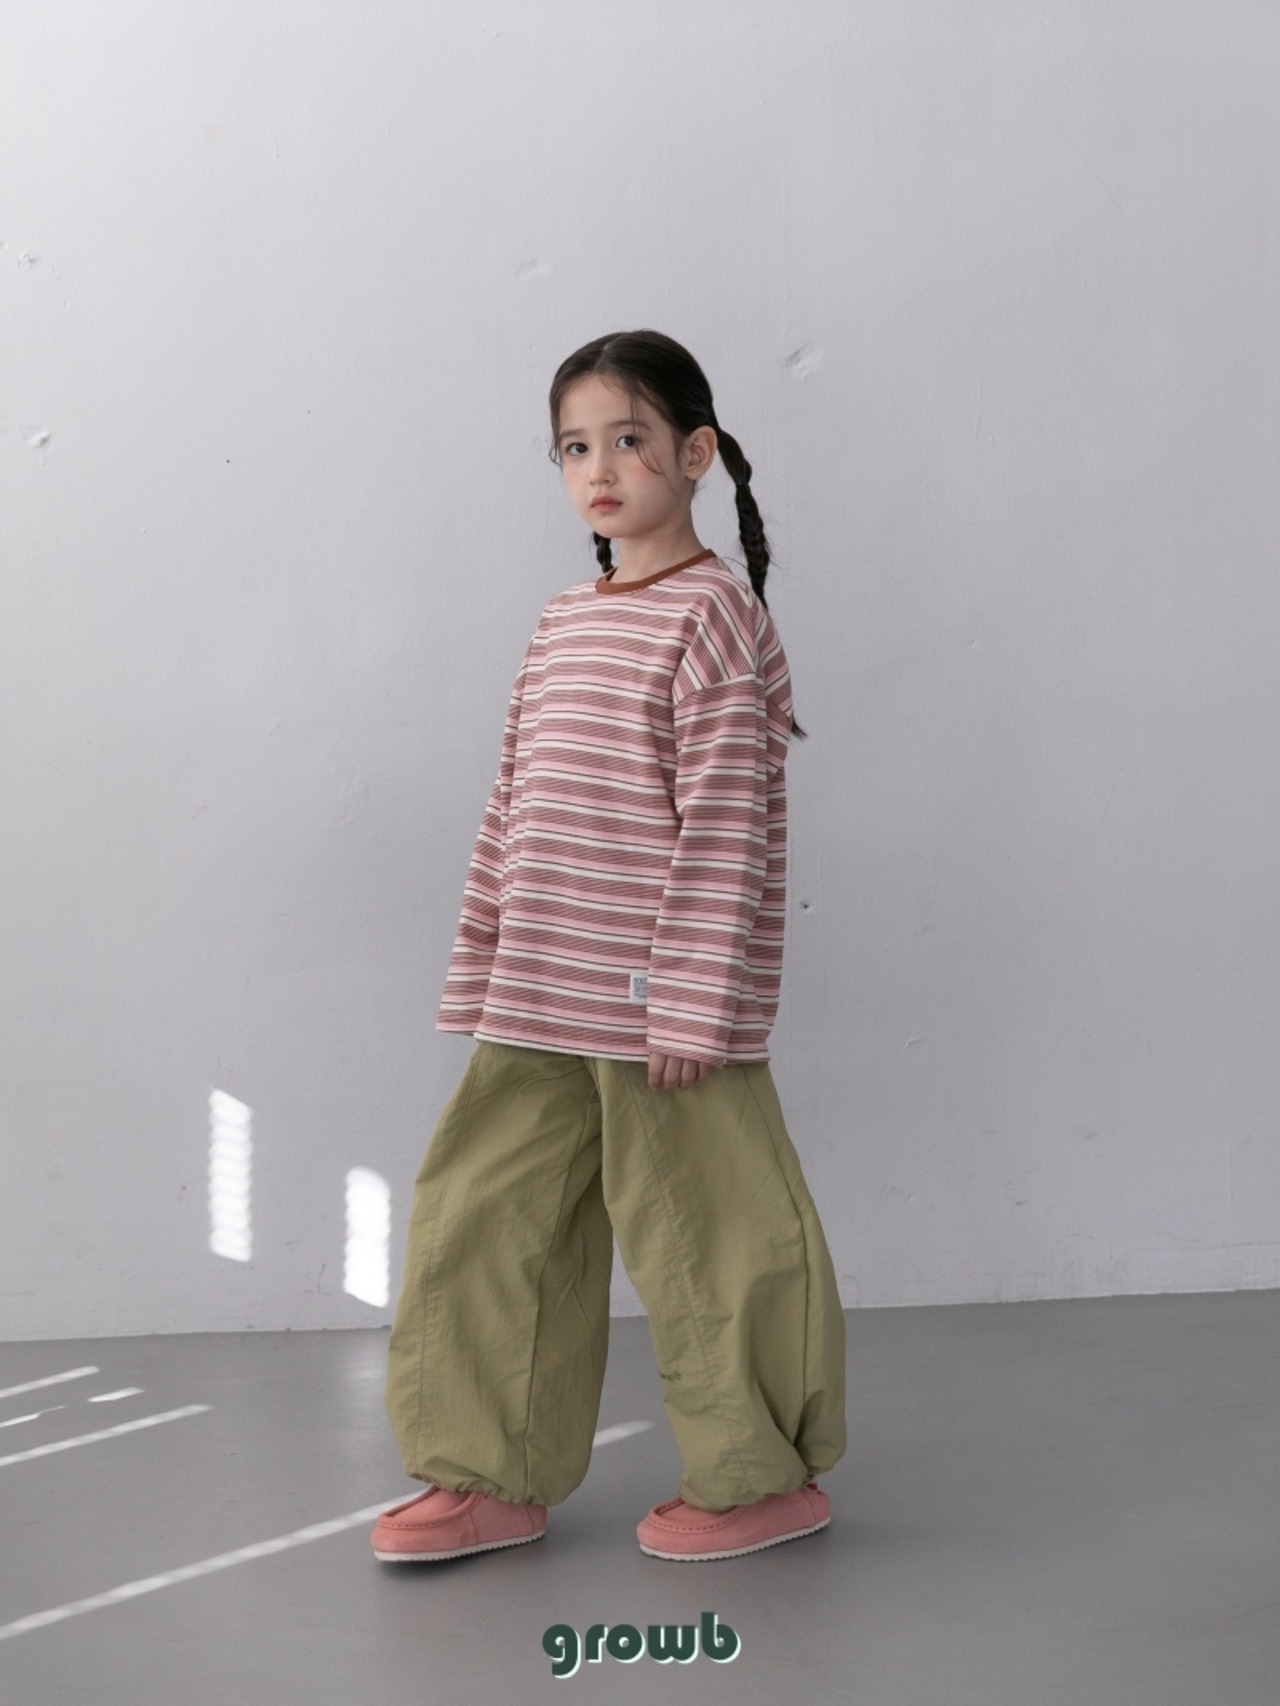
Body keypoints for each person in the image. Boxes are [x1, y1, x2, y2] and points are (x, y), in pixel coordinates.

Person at [372, 329, 846, 1565]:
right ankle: (487, 1472)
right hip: (539, 992)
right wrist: (484, 954)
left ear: (693, 454)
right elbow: (515, 800)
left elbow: (727, 825)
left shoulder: (715, 618)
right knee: (486, 1222)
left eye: (627, 439)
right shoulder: (560, 622)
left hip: (660, 1010)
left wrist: (690, 999)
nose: (598, 467)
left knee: (711, 1239)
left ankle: (758, 1476)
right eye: (573, 446)